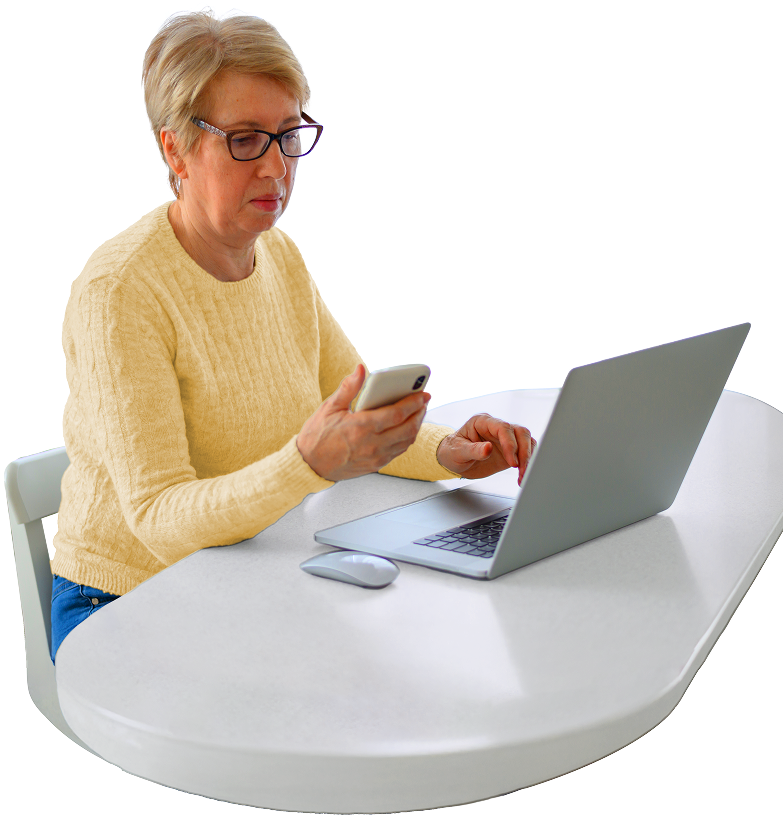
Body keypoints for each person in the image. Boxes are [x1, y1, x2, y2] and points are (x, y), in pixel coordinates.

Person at [49, 3, 536, 664]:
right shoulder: (120, 292)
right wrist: (304, 466)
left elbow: (355, 419)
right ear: (175, 148)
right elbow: (160, 519)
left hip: (250, 571)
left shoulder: (277, 254)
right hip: (125, 602)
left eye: (289, 135)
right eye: (245, 139)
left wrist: (449, 452)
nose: (277, 169)